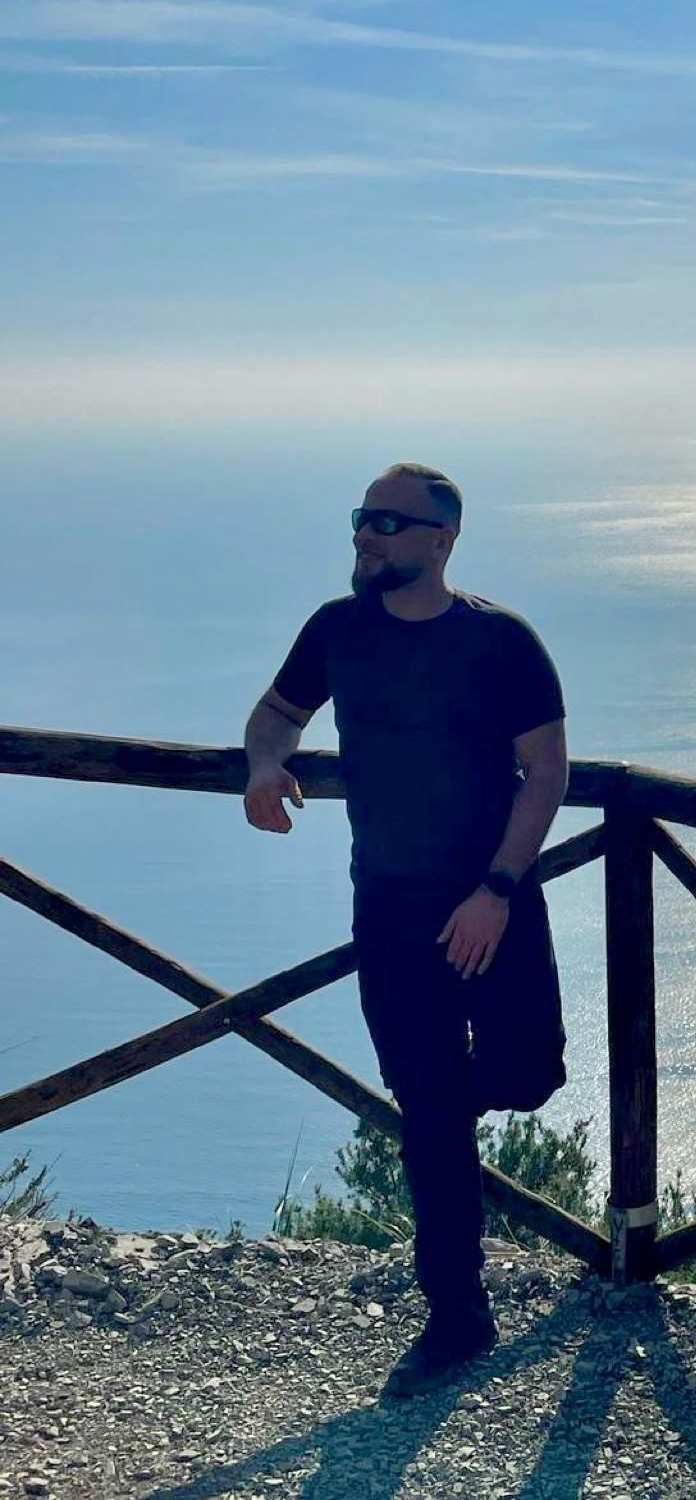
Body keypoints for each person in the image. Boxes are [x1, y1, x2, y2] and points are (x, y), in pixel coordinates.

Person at [241, 461, 570, 1400]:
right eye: (361, 517)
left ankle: (446, 1110)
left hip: (493, 907)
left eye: (387, 522)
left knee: (527, 1075)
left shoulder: (501, 641)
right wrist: (264, 764)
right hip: (390, 911)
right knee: (429, 1113)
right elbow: (276, 713)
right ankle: (456, 1317)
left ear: (441, 539)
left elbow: (547, 771)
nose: (366, 534)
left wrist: (496, 890)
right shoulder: (337, 630)